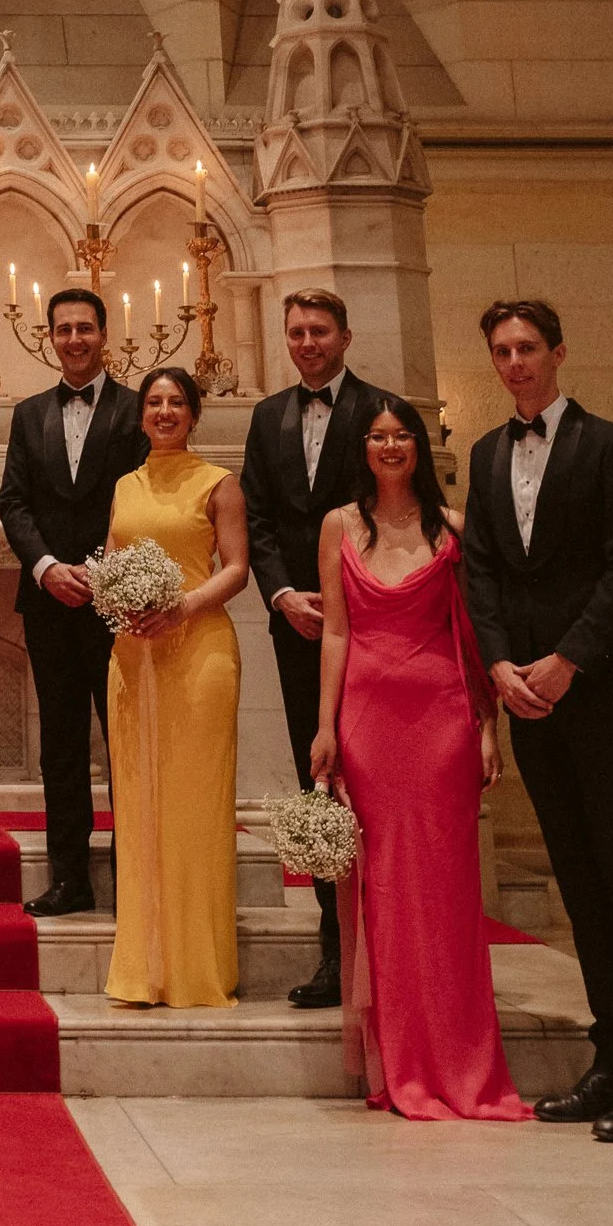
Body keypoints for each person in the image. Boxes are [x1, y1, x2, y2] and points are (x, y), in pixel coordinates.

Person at [463, 298, 613, 1142]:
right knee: (578, 879)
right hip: (525, 692)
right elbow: (482, 574)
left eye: (528, 347)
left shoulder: (610, 445)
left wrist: (567, 661)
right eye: (501, 350)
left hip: (597, 688)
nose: (516, 362)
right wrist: (499, 666)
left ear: (558, 352)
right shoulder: (488, 454)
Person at [312, 393, 528, 1121]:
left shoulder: (455, 530)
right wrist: (326, 727)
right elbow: (336, 633)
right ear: (362, 448)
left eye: (402, 435)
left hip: (442, 722)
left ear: (421, 448)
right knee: (386, 892)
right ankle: (399, 1059)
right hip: (371, 723)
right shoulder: (338, 525)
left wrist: (488, 727)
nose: (391, 446)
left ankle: (463, 1060)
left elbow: (472, 638)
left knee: (448, 891)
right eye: (378, 436)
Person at [239, 288, 385, 1006]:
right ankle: (334, 951)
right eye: (295, 332)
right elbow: (257, 516)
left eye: (319, 331)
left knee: (377, 783)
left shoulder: (381, 412)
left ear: (345, 336)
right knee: (315, 781)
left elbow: (396, 510)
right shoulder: (267, 416)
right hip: (297, 623)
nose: (306, 343)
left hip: (374, 628)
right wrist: (281, 594)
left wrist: (355, 596)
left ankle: (388, 945)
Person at [0, 288, 147, 916]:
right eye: (64, 330)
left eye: (86, 328)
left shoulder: (143, 408)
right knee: (60, 741)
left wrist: (108, 570)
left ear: (105, 334)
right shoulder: (29, 413)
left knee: (128, 739)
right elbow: (13, 501)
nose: (75, 339)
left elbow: (147, 495)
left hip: (120, 604)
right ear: (49, 336)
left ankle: (139, 874)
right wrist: (46, 566)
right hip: (50, 601)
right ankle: (69, 877)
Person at [104, 365, 248, 1008]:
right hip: (134, 654)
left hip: (200, 652)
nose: (164, 412)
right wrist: (117, 599)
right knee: (139, 806)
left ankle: (196, 966)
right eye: (154, 403)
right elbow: (111, 560)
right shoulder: (124, 484)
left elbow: (238, 568)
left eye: (176, 403)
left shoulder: (219, 483)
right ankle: (143, 964)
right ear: (140, 416)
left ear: (193, 415)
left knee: (194, 804)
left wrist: (181, 607)